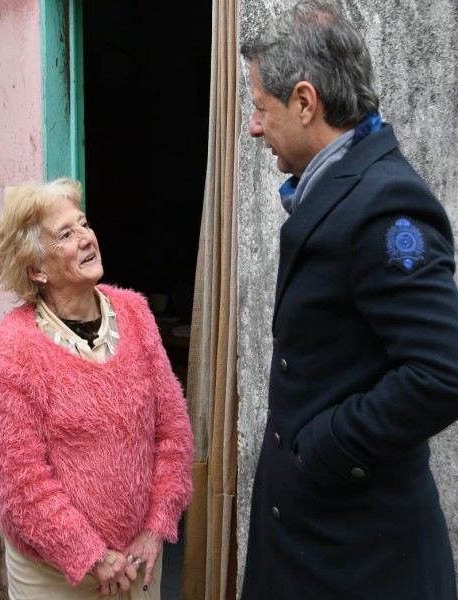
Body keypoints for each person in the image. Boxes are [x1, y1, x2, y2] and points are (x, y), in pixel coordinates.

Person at [239, 2, 458, 598]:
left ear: (305, 102)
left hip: (357, 557)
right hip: (316, 537)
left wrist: (321, 451)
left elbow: (441, 374)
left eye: (261, 107)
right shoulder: (339, 185)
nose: (254, 127)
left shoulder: (389, 207)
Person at [0, 177, 194, 599]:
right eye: (65, 234)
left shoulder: (134, 312)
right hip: (56, 575)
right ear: (36, 269)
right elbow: (23, 482)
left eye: (83, 224)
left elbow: (173, 431)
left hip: (138, 558)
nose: (85, 238)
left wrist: (156, 528)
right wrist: (91, 555)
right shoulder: (15, 346)